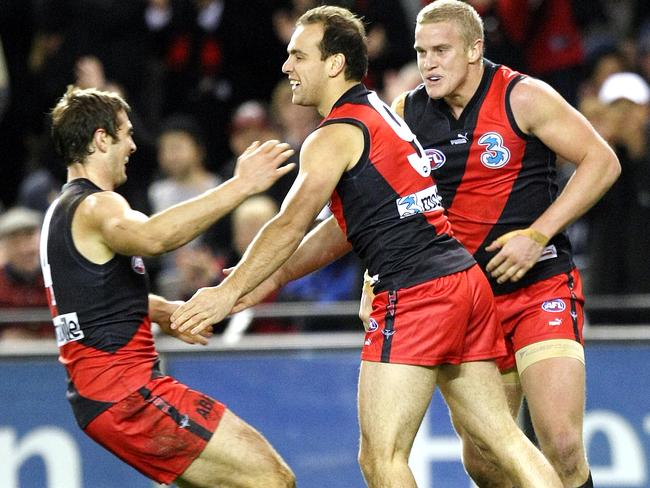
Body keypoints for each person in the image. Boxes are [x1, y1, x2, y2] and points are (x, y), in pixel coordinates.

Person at [170, 6, 563, 487]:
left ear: (334, 63)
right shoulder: (380, 114)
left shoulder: (333, 136)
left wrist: (224, 295)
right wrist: (266, 276)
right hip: (462, 281)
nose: (286, 66)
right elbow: (339, 229)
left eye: (298, 55)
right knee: (502, 440)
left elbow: (289, 222)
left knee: (382, 459)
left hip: (415, 292)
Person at [375, 1, 619, 486]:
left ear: (474, 48)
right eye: (422, 51)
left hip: (539, 286)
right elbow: (389, 205)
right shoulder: (406, 112)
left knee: (564, 443)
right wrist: (372, 278)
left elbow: (602, 161)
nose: (429, 63)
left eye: (441, 50)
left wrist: (538, 234)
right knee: (485, 460)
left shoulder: (524, 96)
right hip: (467, 302)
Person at [41, 85, 295, 488]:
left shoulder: (61, 211)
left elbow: (98, 299)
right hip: (128, 395)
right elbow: (154, 237)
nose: (133, 146)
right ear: (101, 138)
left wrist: (161, 311)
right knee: (270, 479)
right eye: (125, 134)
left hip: (109, 396)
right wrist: (241, 185)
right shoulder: (97, 206)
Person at [0, 206, 51, 340]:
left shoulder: (59, 277)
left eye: (29, 238)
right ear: (4, 247)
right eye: (15, 242)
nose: (25, 249)